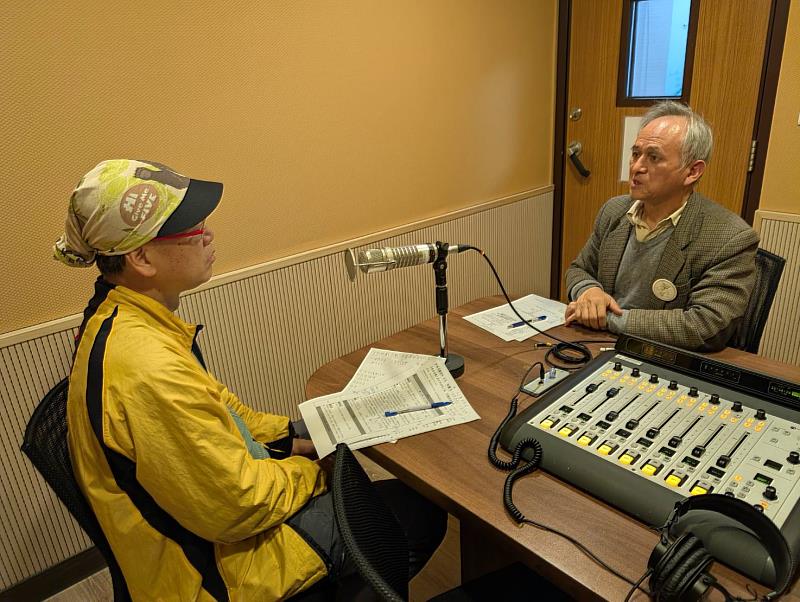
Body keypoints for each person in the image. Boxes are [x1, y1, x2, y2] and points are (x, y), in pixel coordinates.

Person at [55, 159, 446, 601]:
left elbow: (222, 409)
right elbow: (236, 508)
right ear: (141, 257)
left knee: (379, 496)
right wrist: (313, 470)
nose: (208, 235)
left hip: (210, 522)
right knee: (414, 517)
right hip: (213, 572)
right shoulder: (147, 369)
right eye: (192, 228)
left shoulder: (125, 318)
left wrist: (290, 437)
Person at [564, 101, 759, 351]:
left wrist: (608, 319)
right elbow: (580, 268)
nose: (636, 167)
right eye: (636, 154)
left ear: (692, 172)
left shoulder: (730, 237)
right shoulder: (615, 210)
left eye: (653, 157)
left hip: (665, 357)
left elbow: (704, 325)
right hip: (598, 345)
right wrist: (588, 291)